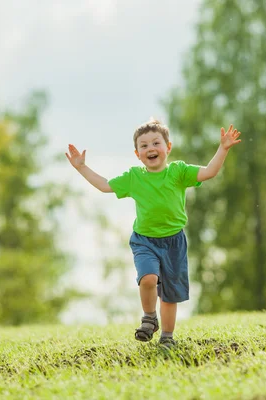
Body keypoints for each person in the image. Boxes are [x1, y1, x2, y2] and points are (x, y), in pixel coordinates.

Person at [66, 118, 241, 348]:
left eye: (155, 143)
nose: (150, 148)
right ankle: (149, 317)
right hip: (144, 241)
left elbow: (209, 172)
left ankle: (167, 338)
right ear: (137, 153)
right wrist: (81, 167)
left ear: (168, 147)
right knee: (148, 279)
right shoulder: (134, 177)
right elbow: (105, 185)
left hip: (174, 242)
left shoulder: (179, 172)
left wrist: (223, 148)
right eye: (144, 145)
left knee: (170, 296)